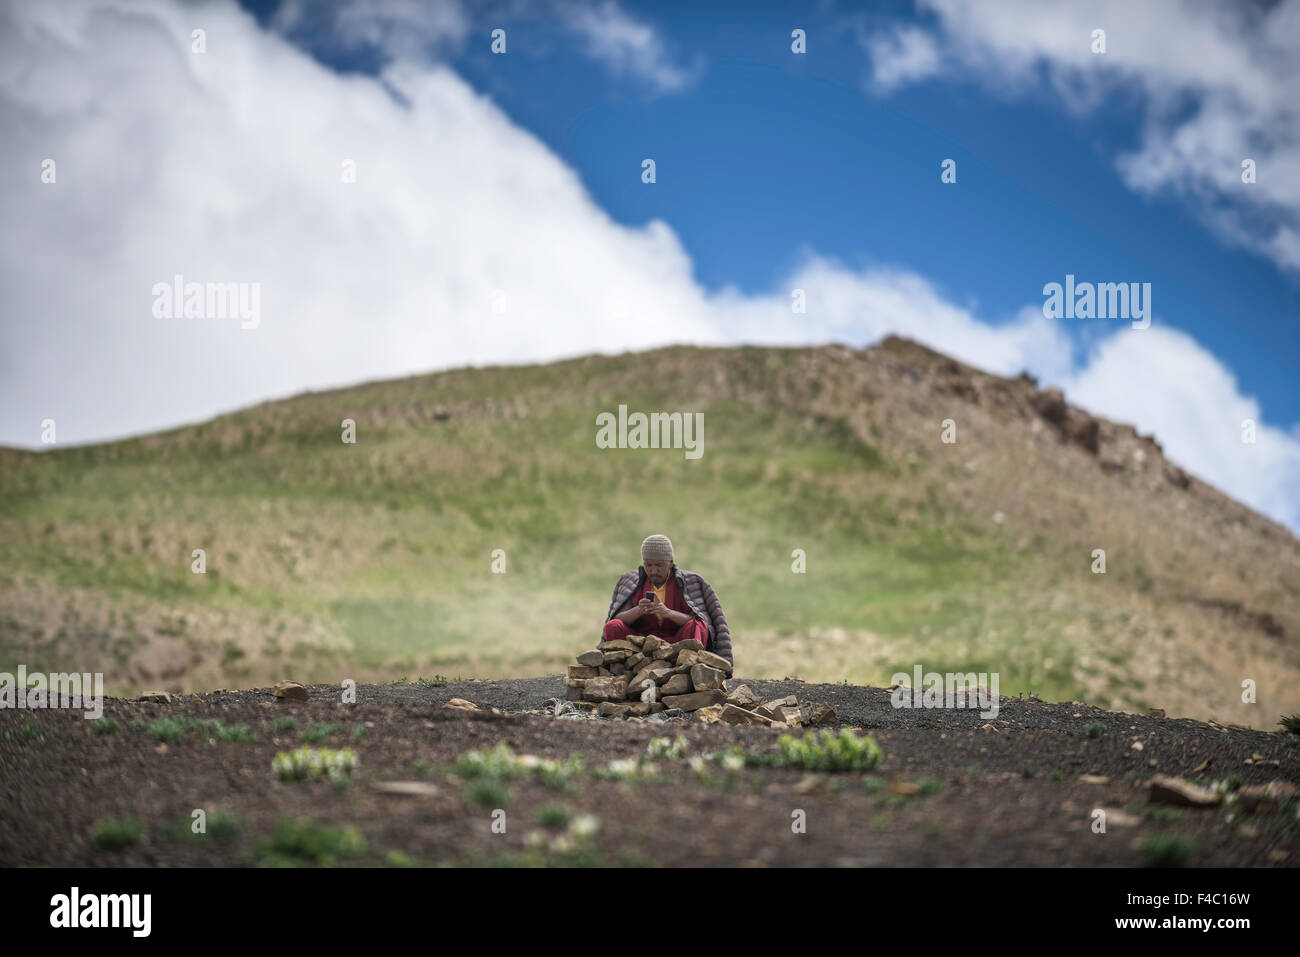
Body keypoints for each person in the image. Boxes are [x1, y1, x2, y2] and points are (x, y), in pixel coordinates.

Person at [601, 534, 733, 677]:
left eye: (659, 565)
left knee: (697, 626)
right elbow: (618, 618)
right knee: (613, 626)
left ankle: (687, 673)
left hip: (675, 645)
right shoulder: (632, 581)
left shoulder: (690, 582)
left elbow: (698, 620)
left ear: (670, 562)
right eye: (648, 565)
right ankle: (618, 673)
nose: (653, 571)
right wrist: (638, 610)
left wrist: (667, 613)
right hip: (640, 646)